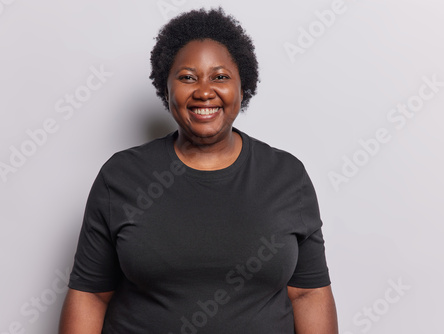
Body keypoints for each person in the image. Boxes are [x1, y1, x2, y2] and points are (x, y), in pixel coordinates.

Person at [59, 7, 338, 334]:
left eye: (220, 77)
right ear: (166, 88)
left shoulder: (287, 177)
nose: (204, 91)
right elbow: (91, 296)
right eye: (187, 77)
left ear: (242, 86)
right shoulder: (120, 177)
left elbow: (308, 293)